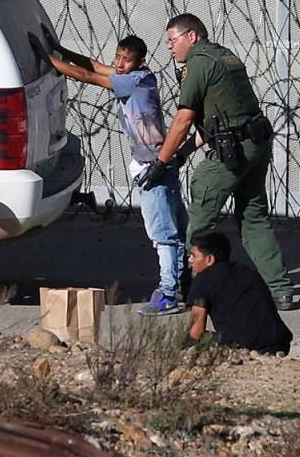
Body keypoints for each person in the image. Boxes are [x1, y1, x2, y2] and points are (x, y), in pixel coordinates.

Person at [29, 29, 189, 316]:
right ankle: (181, 283)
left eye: (126, 60)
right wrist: (60, 50)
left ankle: (169, 292)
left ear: (140, 62)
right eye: (117, 57)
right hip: (160, 161)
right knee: (173, 229)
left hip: (154, 166)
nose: (119, 63)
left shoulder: (135, 81)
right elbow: (93, 66)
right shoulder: (136, 76)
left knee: (162, 234)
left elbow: (88, 77)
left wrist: (48, 60)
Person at [141, 13, 295, 310]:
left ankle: (185, 289)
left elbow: (184, 119)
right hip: (254, 143)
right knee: (253, 217)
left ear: (192, 37)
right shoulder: (225, 56)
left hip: (233, 150)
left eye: (172, 41)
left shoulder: (198, 63)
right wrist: (183, 154)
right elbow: (215, 120)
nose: (169, 48)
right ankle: (281, 290)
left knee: (199, 219)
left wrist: (161, 162)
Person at [186, 230, 292, 355]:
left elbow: (195, 332)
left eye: (194, 256)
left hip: (245, 346)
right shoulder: (247, 271)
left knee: (192, 341)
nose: (190, 260)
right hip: (279, 342)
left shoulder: (203, 279)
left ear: (210, 259)